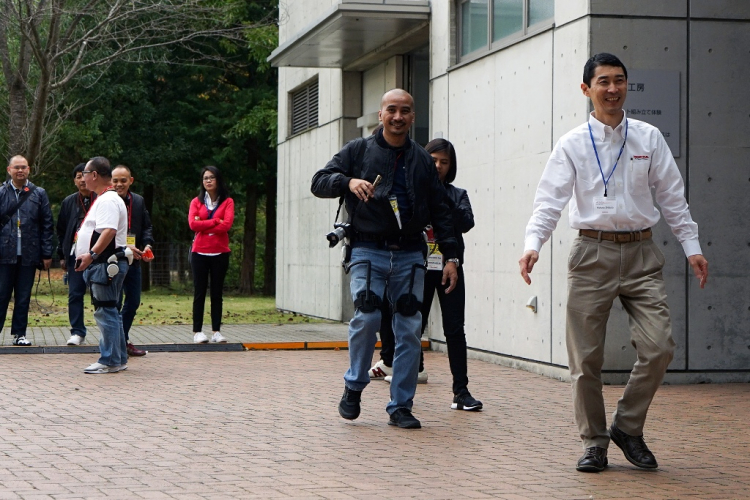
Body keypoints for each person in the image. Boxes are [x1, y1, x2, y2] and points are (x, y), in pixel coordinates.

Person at [518, 53, 709, 472]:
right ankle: (594, 442)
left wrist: (691, 246)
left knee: (659, 347)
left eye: (619, 80)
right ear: (586, 89)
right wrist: (534, 243)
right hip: (591, 253)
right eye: (603, 81)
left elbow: (672, 196)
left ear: (627, 86)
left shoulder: (648, 137)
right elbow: (549, 200)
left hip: (642, 253)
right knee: (585, 359)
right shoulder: (571, 143)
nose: (612, 88)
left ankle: (626, 426)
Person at [311, 89, 459, 429]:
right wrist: (348, 182)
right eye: (391, 110)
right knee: (366, 316)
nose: (398, 116)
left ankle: (401, 406)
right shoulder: (357, 150)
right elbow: (319, 182)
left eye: (405, 111)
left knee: (409, 328)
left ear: (412, 117)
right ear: (380, 115)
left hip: (410, 253)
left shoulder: (423, 158)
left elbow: (441, 210)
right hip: (366, 249)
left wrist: (451, 256)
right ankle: (353, 386)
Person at [373, 139, 482, 411]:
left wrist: (439, 197)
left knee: (455, 330)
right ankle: (404, 390)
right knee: (411, 330)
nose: (438, 166)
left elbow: (467, 222)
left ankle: (461, 392)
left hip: (450, 268)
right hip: (417, 269)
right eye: (433, 160)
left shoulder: (457, 194)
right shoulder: (412, 193)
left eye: (444, 162)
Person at [75, 156, 131, 373]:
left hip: (105, 263)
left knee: (105, 311)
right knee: (110, 311)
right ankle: (118, 358)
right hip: (108, 262)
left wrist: (90, 254)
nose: (83, 179)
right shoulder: (108, 198)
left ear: (95, 175)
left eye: (85, 174)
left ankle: (109, 360)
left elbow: (108, 231)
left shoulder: (107, 200)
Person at [0, 155, 54, 346]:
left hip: (29, 254)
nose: (20, 170)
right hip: (4, 254)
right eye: (16, 167)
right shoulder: (1, 192)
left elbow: (47, 224)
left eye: (23, 167)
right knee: (1, 295)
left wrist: (47, 253)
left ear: (29, 169)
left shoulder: (39, 193)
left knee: (23, 297)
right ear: (9, 170)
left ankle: (19, 334)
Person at [188, 166, 234, 344]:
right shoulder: (196, 202)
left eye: (211, 177)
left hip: (220, 252)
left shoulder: (227, 201)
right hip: (199, 252)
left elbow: (227, 225)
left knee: (217, 293)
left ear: (218, 180)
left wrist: (204, 223)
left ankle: (216, 331)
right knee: (199, 292)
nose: (208, 181)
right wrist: (215, 221)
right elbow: (193, 224)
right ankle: (197, 331)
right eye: (205, 178)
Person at [112, 165, 154, 357]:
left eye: (123, 180)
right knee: (114, 302)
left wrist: (147, 245)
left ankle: (122, 339)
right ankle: (116, 343)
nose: (119, 184)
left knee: (134, 301)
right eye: (115, 181)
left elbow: (146, 226)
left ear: (131, 181)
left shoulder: (138, 201)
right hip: (113, 259)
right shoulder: (106, 201)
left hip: (134, 259)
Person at [58, 163, 96, 346]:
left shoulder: (102, 199)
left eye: (85, 175)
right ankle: (77, 332)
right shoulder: (68, 202)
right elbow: (62, 231)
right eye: (78, 176)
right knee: (75, 293)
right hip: (75, 255)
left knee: (100, 294)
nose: (82, 179)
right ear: (74, 181)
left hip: (98, 254)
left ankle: (106, 331)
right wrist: (62, 255)